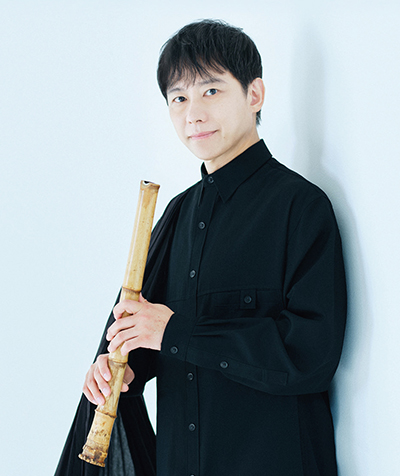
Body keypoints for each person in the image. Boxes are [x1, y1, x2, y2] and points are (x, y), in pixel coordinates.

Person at [57, 19, 347, 476]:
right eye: (179, 98)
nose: (193, 113)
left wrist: (176, 333)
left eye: (211, 91)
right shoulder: (175, 216)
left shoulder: (300, 207)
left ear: (254, 95)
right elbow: (154, 342)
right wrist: (124, 372)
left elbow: (308, 355)